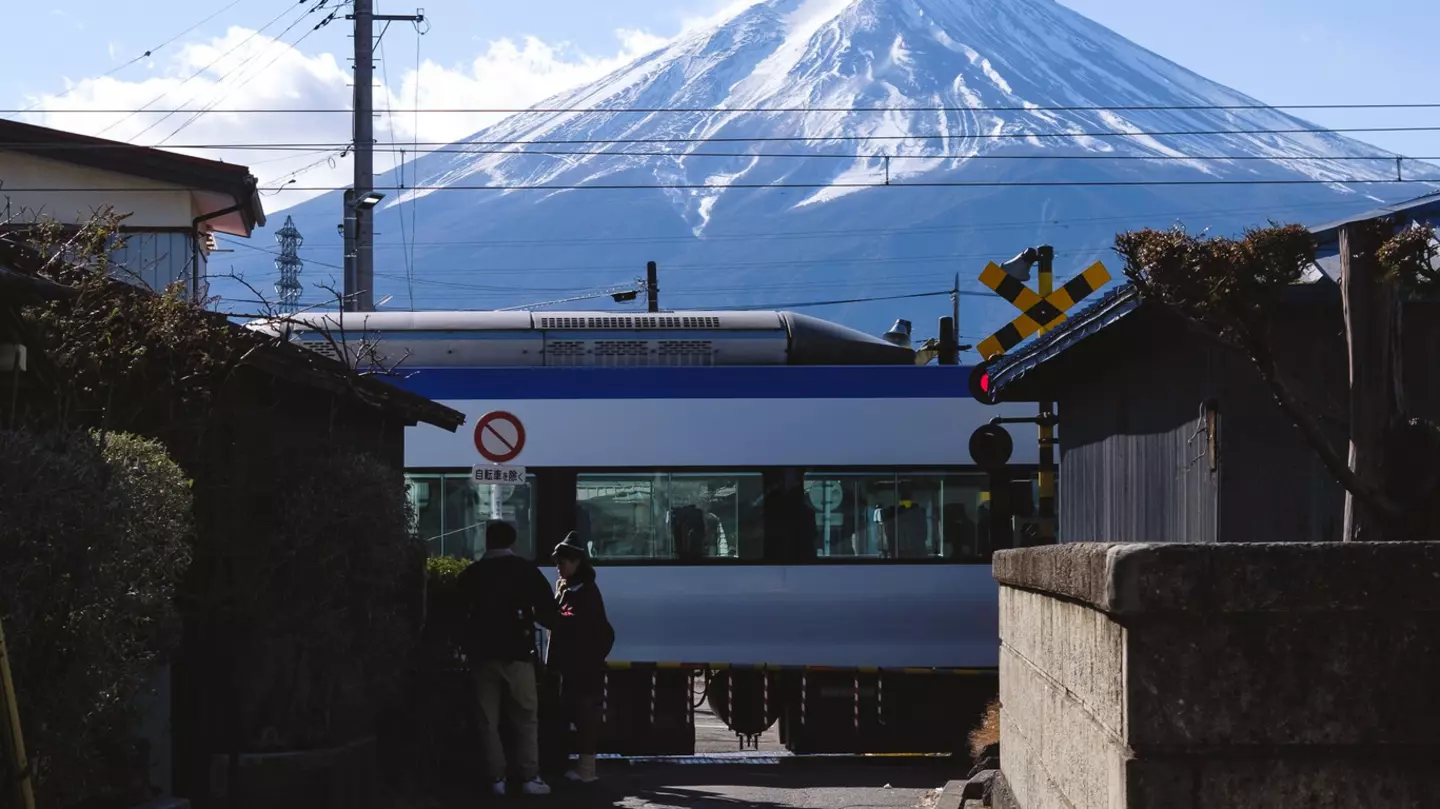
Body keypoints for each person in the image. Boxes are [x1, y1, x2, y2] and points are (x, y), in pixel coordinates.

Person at [455, 521, 560, 797]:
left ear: (486, 542)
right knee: (525, 717)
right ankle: (529, 776)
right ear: (512, 541)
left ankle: (496, 778)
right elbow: (548, 612)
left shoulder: (472, 573)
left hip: (481, 656)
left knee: (486, 720)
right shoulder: (526, 571)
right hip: (518, 655)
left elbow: (454, 614)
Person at [547, 531, 615, 785]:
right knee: (572, 715)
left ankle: (587, 770)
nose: (558, 568)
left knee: (585, 718)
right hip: (571, 667)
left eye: (561, 563)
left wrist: (586, 659)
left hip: (583, 668)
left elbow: (602, 633)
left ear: (576, 562)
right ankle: (574, 766)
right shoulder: (568, 588)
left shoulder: (585, 592)